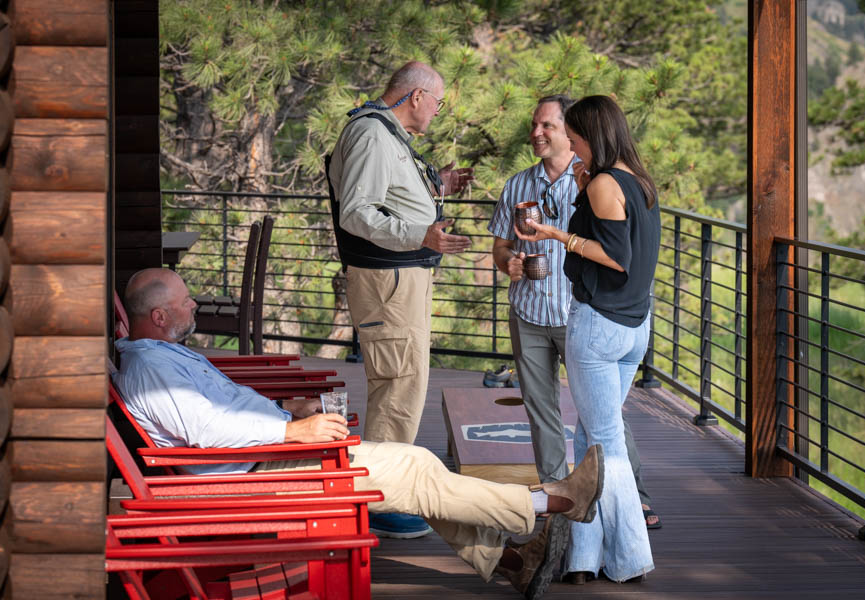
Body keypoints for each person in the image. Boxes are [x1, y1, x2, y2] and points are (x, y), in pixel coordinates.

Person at [115, 268, 605, 600]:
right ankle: (551, 503)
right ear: (159, 317)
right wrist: (292, 430)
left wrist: (285, 407)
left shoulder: (156, 356)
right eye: (185, 301)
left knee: (415, 472)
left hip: (264, 453)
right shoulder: (151, 370)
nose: (194, 303)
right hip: (254, 474)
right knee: (414, 468)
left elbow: (215, 411)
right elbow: (208, 428)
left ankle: (512, 564)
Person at [489, 96, 661, 528]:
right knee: (541, 408)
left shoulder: (595, 182)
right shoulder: (517, 185)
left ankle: (632, 497)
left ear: (572, 133)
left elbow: (614, 250)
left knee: (600, 415)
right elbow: (500, 243)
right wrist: (507, 261)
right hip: (529, 312)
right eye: (534, 125)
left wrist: (561, 233)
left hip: (582, 314)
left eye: (547, 125)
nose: (537, 133)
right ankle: (556, 495)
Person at [327, 60, 474, 537]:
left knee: (400, 381)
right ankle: (382, 500)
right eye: (438, 101)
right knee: (398, 386)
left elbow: (387, 196)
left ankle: (380, 491)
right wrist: (422, 233)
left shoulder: (384, 134)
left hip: (397, 281)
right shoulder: (372, 134)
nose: (437, 111)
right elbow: (357, 212)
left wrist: (437, 188)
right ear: (416, 96)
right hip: (389, 283)